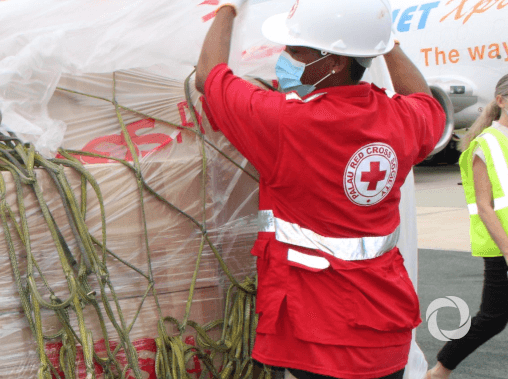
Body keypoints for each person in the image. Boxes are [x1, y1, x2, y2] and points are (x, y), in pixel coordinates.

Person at [194, 0, 446, 378]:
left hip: (316, 336)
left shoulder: (285, 122)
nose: (284, 57)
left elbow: (208, 77)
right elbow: (425, 100)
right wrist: (380, 41)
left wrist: (227, 8)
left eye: (296, 51)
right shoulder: (404, 119)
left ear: (336, 62)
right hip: (385, 329)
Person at [425, 74, 508, 378]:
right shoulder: (487, 144)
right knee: (493, 317)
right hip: (501, 245)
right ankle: (440, 370)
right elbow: (485, 207)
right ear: (500, 101)